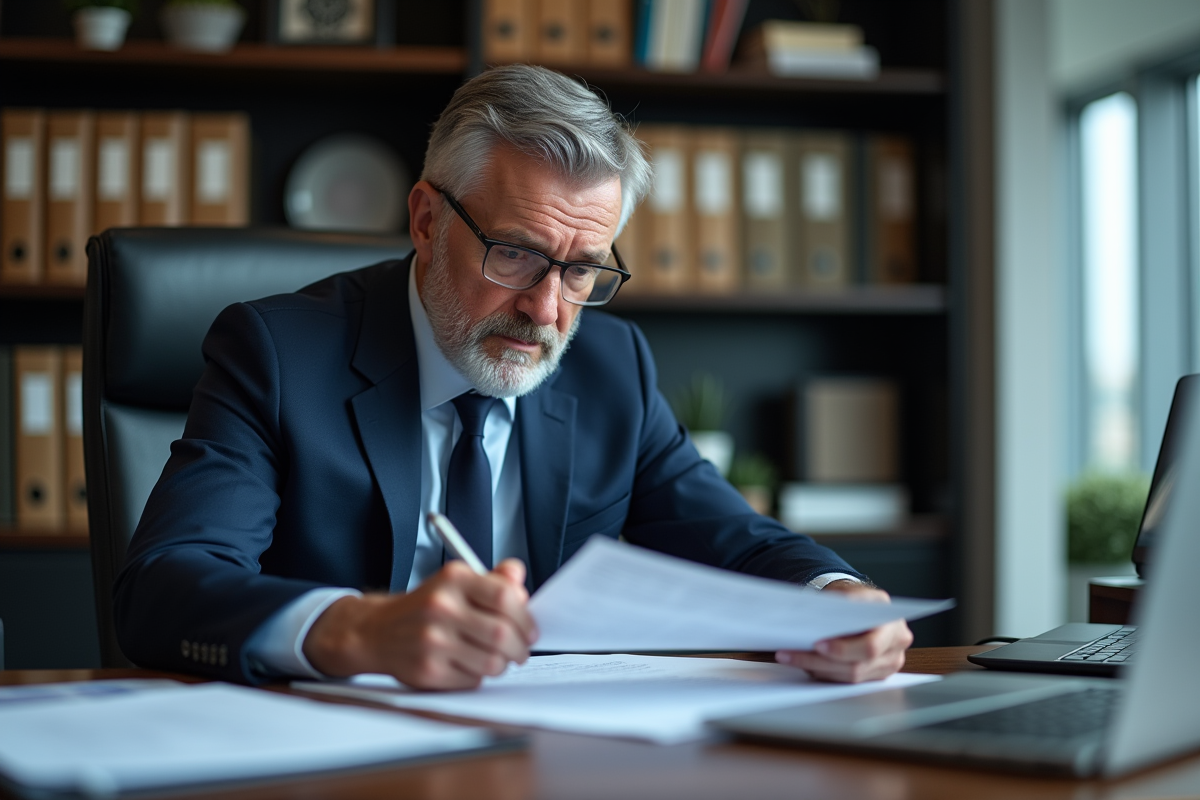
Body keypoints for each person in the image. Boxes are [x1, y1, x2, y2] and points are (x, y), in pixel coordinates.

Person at [115, 64, 912, 689]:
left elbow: (733, 539)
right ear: (426, 221)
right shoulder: (278, 353)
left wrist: (833, 597)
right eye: (516, 254)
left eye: (582, 270)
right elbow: (164, 587)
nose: (545, 309)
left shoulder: (612, 366)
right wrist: (358, 629)